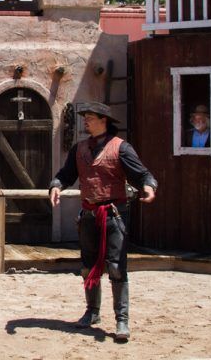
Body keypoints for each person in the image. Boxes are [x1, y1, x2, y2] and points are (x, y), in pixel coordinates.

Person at [48, 102, 157, 342]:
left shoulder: (121, 148)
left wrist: (148, 187)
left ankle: (122, 320)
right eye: (85, 117)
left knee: (116, 267)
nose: (85, 121)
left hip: (114, 214)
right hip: (88, 214)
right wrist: (56, 186)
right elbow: (66, 174)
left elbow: (142, 174)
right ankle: (92, 312)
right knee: (88, 266)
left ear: (103, 121)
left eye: (90, 117)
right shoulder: (79, 149)